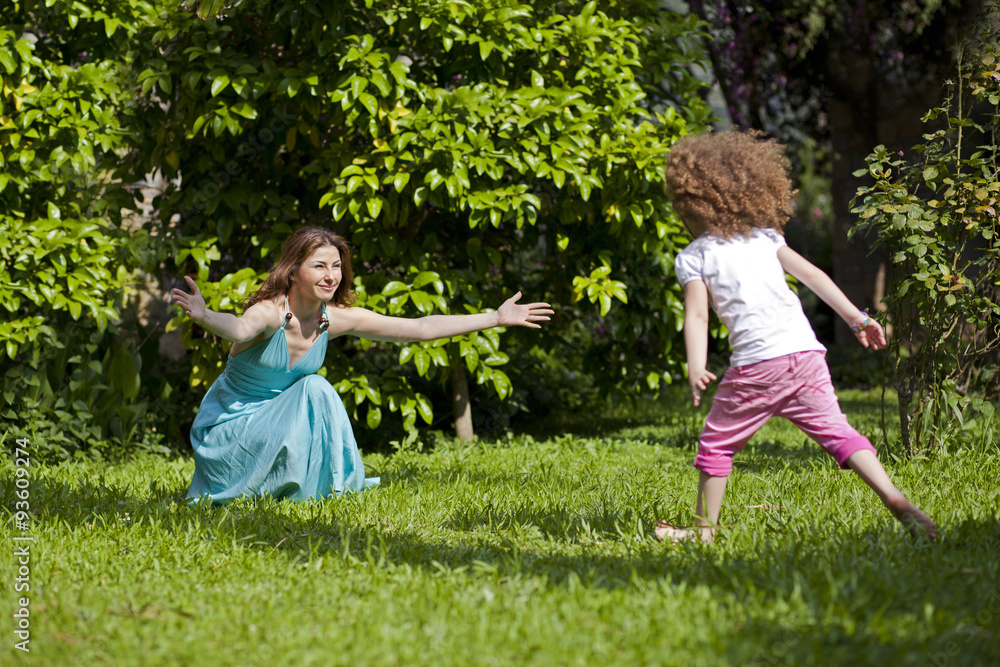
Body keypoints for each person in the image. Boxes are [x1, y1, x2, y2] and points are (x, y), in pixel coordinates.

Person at [655, 130, 936, 543]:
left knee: (716, 444)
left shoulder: (694, 256)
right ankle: (895, 499)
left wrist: (696, 364)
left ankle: (704, 532)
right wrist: (857, 318)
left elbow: (696, 316)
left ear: (690, 202)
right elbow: (814, 277)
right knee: (839, 432)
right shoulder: (766, 239)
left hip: (757, 365)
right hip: (805, 355)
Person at [170, 226, 553, 503]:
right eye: (319, 266)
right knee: (314, 387)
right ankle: (324, 487)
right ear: (293, 271)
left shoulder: (333, 318)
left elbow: (417, 328)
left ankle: (317, 489)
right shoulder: (270, 312)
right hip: (229, 432)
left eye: (336, 266)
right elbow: (237, 328)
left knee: (313, 389)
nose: (331, 276)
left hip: (271, 431)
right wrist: (205, 316)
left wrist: (495, 318)